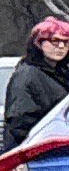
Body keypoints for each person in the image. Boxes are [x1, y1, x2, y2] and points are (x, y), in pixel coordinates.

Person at [9, 18, 69, 148]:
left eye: (66, 42)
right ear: (38, 43)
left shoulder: (62, 72)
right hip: (39, 152)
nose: (61, 46)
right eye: (55, 41)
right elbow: (19, 122)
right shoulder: (27, 75)